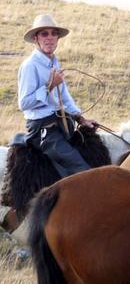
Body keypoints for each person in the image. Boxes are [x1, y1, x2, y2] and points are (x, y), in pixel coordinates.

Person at [17, 14, 99, 178]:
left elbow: (64, 95)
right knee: (81, 169)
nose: (50, 38)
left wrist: (80, 118)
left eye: (53, 33)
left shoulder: (54, 62)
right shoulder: (29, 66)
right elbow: (24, 103)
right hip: (42, 130)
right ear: (36, 38)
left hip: (61, 123)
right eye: (44, 34)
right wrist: (49, 86)